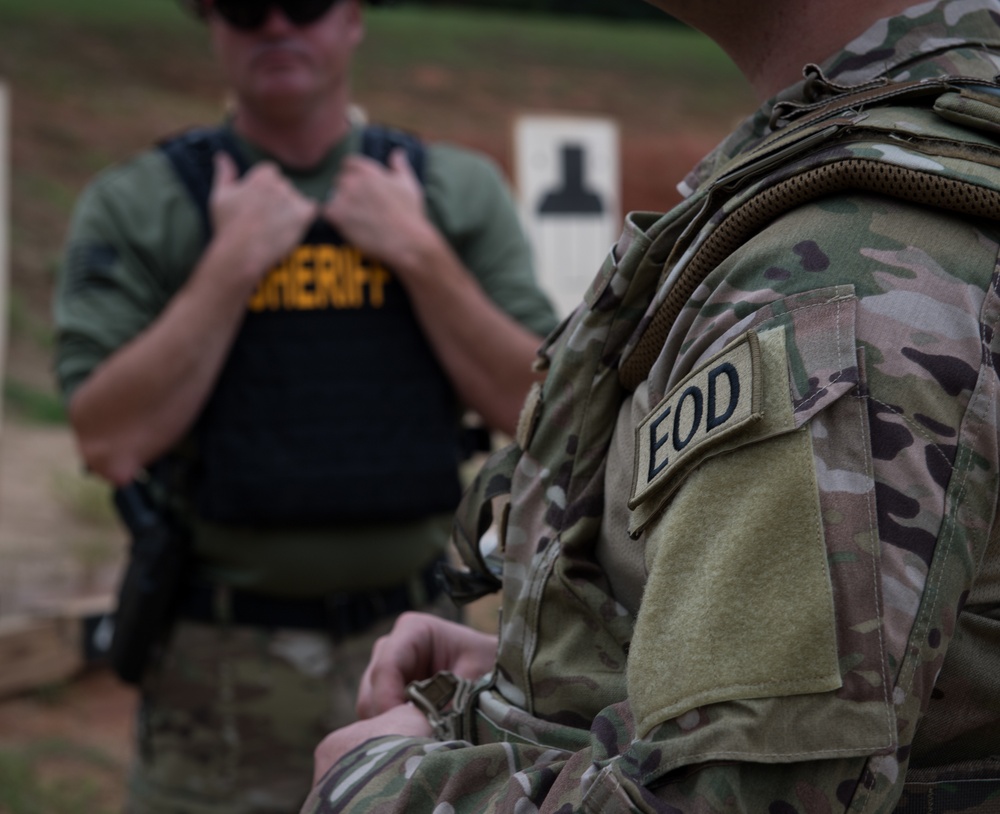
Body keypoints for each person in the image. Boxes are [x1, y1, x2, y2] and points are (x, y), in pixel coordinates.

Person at [302, 0, 1000, 811]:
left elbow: (730, 798)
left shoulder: (842, 270)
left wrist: (376, 784)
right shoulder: (881, 150)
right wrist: (556, 677)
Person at [52, 0, 559, 811]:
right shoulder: (143, 204)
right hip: (218, 666)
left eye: (309, 3)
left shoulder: (446, 192)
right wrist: (231, 265)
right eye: (248, 6)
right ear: (210, 19)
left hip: (416, 653)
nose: (278, 24)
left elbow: (545, 413)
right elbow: (109, 439)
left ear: (353, 16)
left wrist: (419, 254)